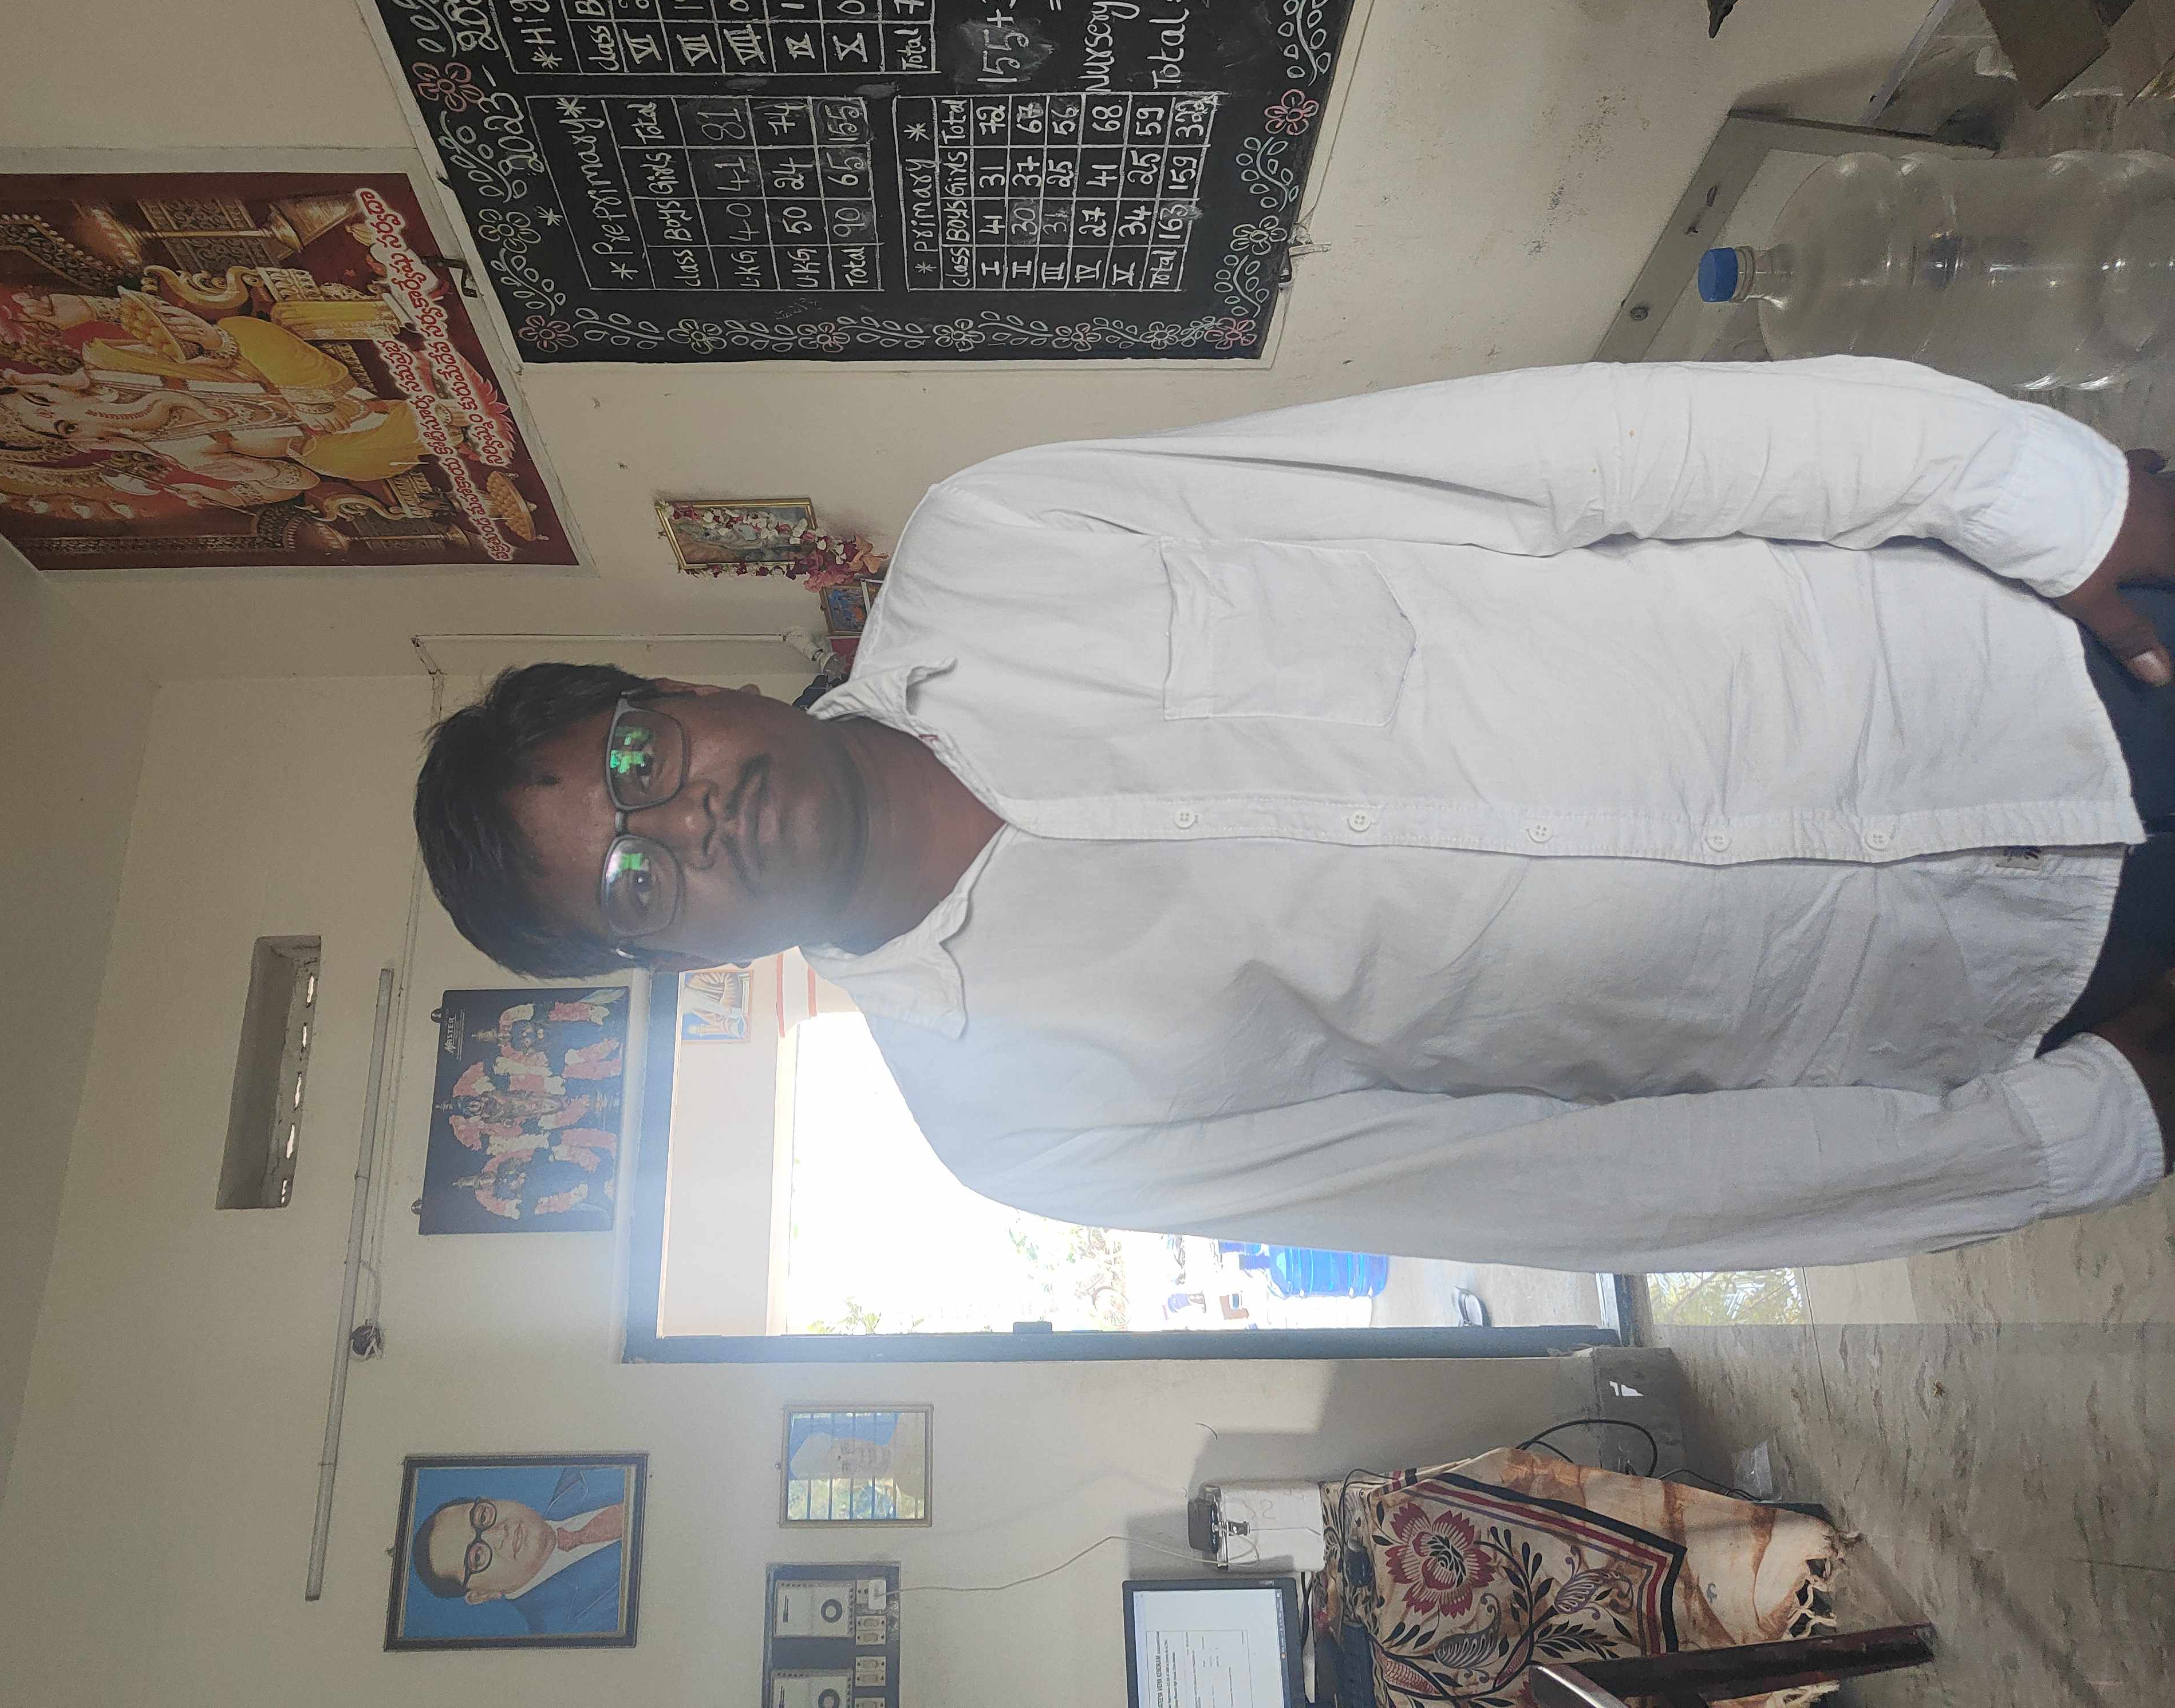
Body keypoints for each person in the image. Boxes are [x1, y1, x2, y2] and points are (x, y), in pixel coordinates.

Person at [413, 357, 2175, 1271]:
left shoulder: (1006, 547)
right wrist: (2055, 1143)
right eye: (636, 885)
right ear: (682, 963)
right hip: (1997, 989)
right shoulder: (1014, 1124)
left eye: (636, 764)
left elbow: (1562, 450)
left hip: (2007, 649)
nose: (687, 827)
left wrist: (2034, 487)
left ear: (677, 693)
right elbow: (1561, 1191)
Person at [409, 1468, 631, 1635]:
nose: (499, 1533)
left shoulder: (583, 1472)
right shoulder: (570, 1632)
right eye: (477, 1557)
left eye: (483, 1517)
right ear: (482, 1595)